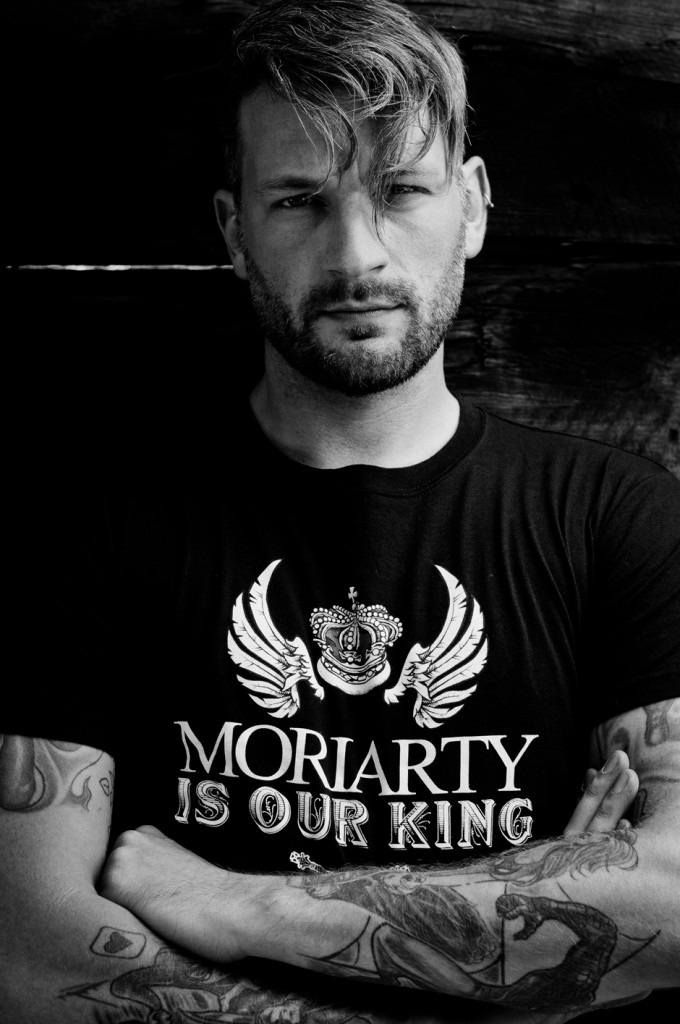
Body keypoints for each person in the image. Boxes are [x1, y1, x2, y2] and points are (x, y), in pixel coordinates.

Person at [2, 1, 679, 1021]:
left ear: (472, 205)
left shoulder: (616, 517)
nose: (356, 254)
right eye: (298, 201)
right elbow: (34, 958)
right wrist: (521, 946)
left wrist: (243, 905)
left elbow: (672, 905)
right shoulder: (100, 528)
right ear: (234, 229)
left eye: (401, 190)